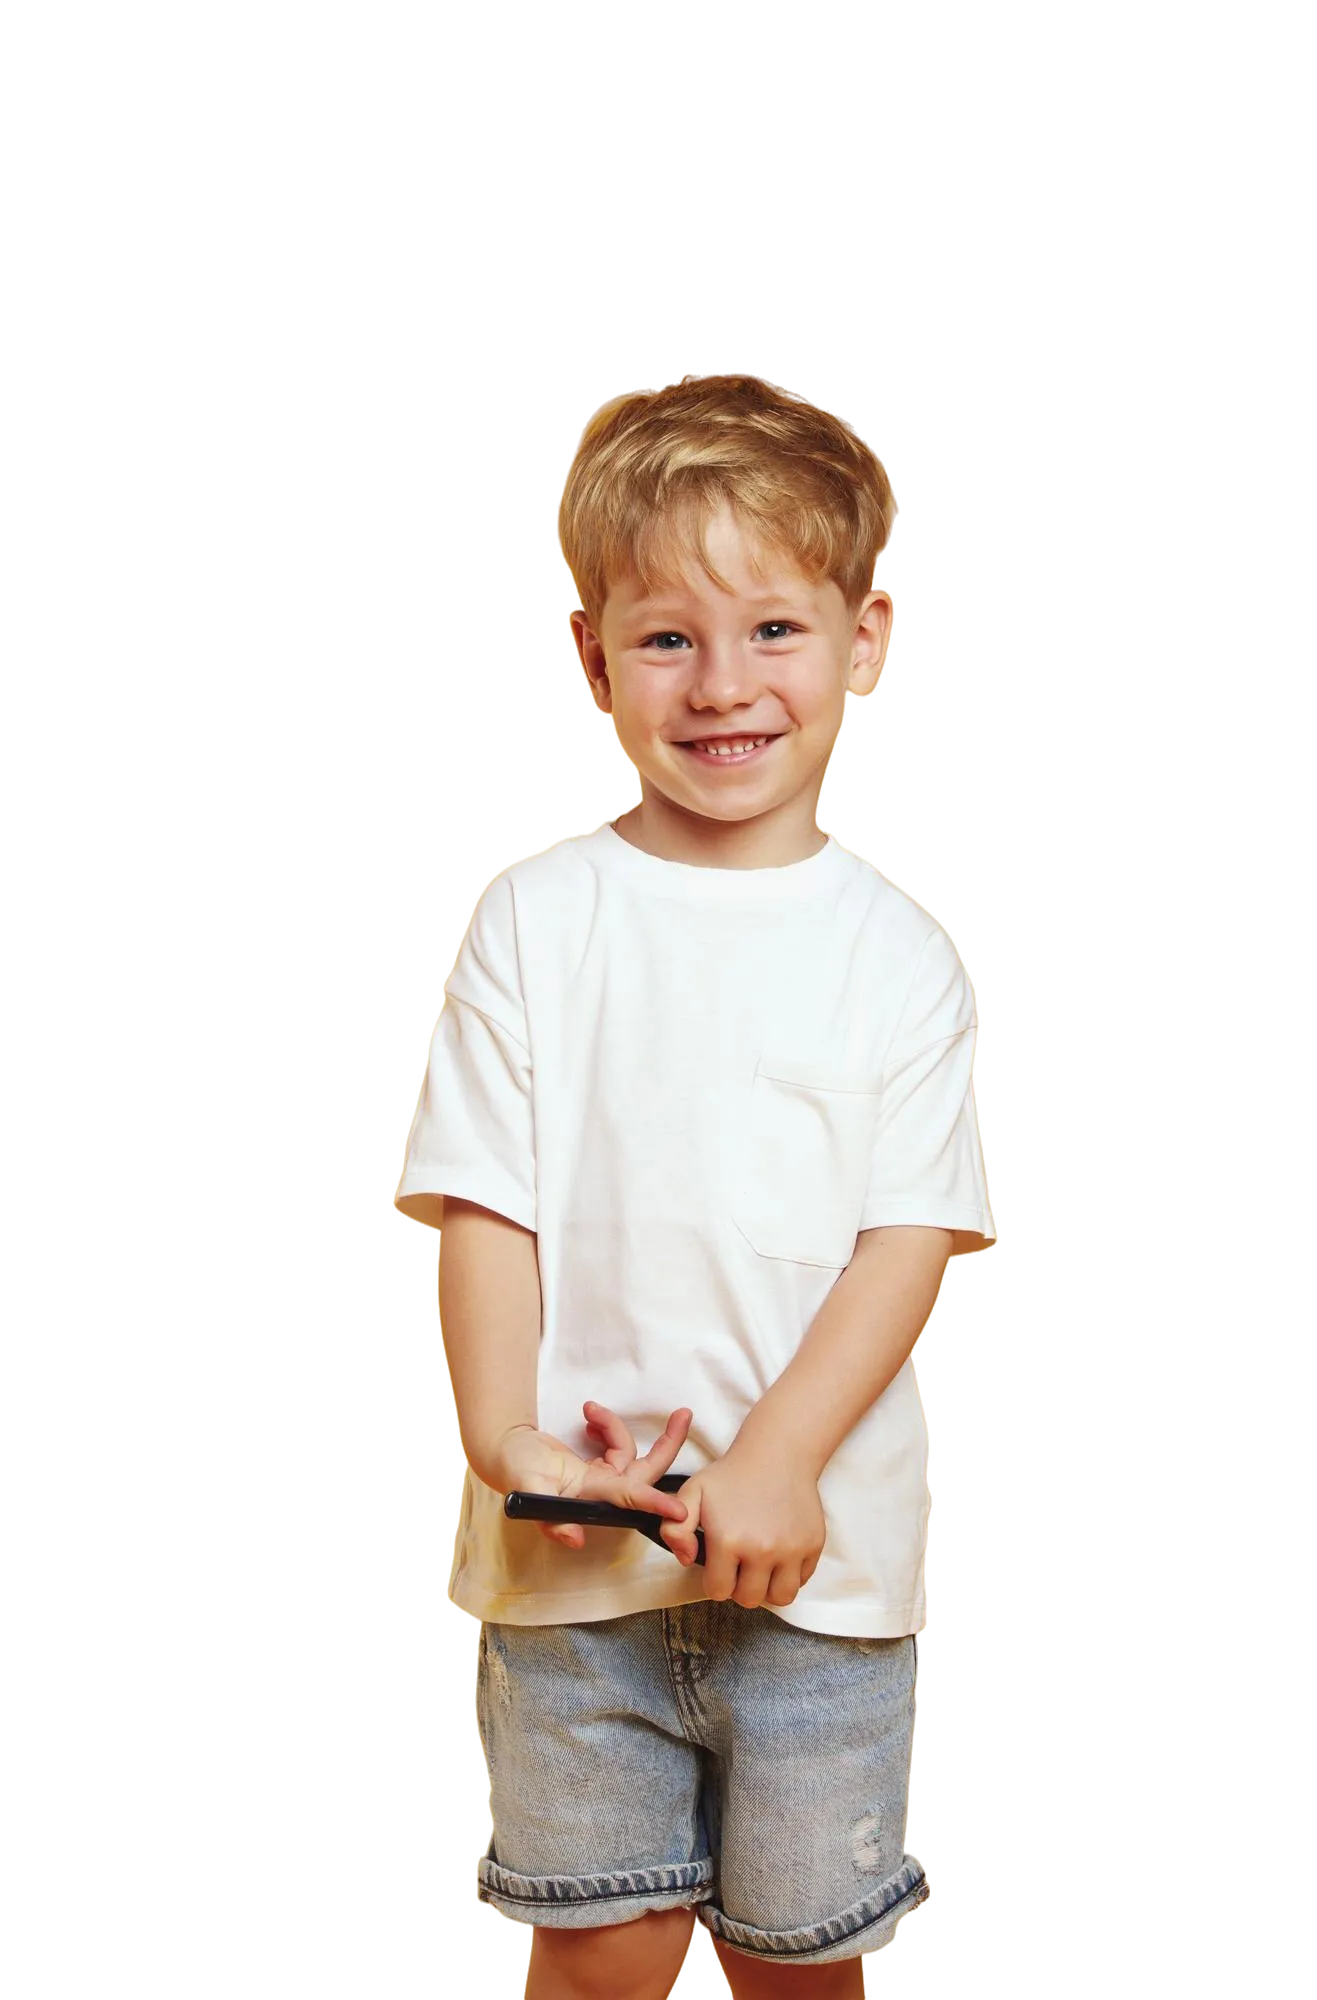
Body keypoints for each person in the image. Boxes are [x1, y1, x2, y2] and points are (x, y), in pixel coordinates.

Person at [395, 376, 998, 1999]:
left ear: (865, 636)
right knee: (598, 1962)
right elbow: (483, 1207)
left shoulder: (899, 950)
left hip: (823, 1587)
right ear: (592, 659)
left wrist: (782, 1461)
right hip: (572, 1586)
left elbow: (909, 1237)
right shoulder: (532, 917)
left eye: (773, 630)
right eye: (667, 639)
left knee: (798, 1973)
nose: (724, 685)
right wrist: (504, 1436)